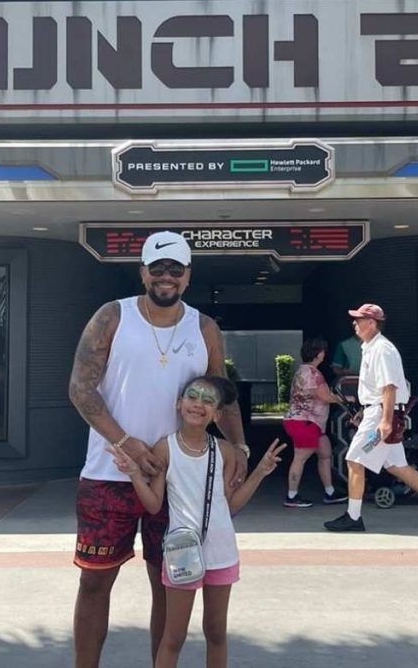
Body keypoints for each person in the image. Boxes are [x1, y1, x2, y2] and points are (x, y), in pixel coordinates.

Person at [67, 231, 249, 668]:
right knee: (94, 583)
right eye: (158, 268)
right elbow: (80, 389)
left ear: (188, 276)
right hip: (109, 473)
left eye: (176, 269)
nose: (166, 276)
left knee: (169, 585)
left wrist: (239, 447)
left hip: (177, 481)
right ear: (143, 272)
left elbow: (221, 394)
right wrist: (125, 442)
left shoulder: (203, 328)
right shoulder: (113, 316)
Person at [109, 376, 285, 668]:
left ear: (217, 414)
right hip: (182, 552)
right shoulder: (165, 449)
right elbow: (153, 505)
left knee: (216, 633)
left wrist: (260, 472)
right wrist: (135, 474)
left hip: (222, 551)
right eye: (192, 397)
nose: (198, 404)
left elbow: (230, 506)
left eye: (208, 401)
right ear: (179, 404)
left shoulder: (224, 451)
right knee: (173, 637)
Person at [324, 304, 418, 532]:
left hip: (381, 415)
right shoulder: (374, 347)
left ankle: (353, 517)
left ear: (372, 323)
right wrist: (368, 411)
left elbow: (389, 387)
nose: (354, 323)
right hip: (380, 412)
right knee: (397, 465)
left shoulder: (381, 349)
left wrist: (384, 421)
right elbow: (382, 389)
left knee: (354, 460)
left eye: (359, 320)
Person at [282, 337, 348, 508]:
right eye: (323, 351)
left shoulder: (302, 370)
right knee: (300, 457)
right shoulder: (313, 374)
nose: (325, 353)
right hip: (306, 422)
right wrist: (347, 399)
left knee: (325, 452)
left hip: (306, 422)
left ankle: (330, 492)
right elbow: (325, 397)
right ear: (318, 354)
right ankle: (291, 496)